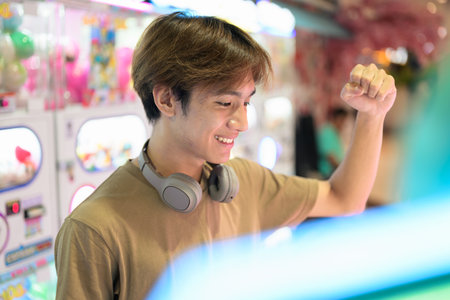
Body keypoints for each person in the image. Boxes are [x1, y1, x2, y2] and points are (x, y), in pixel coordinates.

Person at [54, 12, 397, 300]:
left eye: (246, 102)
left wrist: (372, 115)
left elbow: (345, 199)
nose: (243, 122)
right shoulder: (93, 229)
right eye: (225, 103)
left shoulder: (244, 181)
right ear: (167, 100)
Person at [317, 107, 350, 178]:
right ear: (335, 118)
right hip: (329, 172)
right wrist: (342, 169)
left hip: (335, 170)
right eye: (341, 120)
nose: (343, 124)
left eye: (344, 121)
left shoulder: (336, 132)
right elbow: (330, 156)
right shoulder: (328, 131)